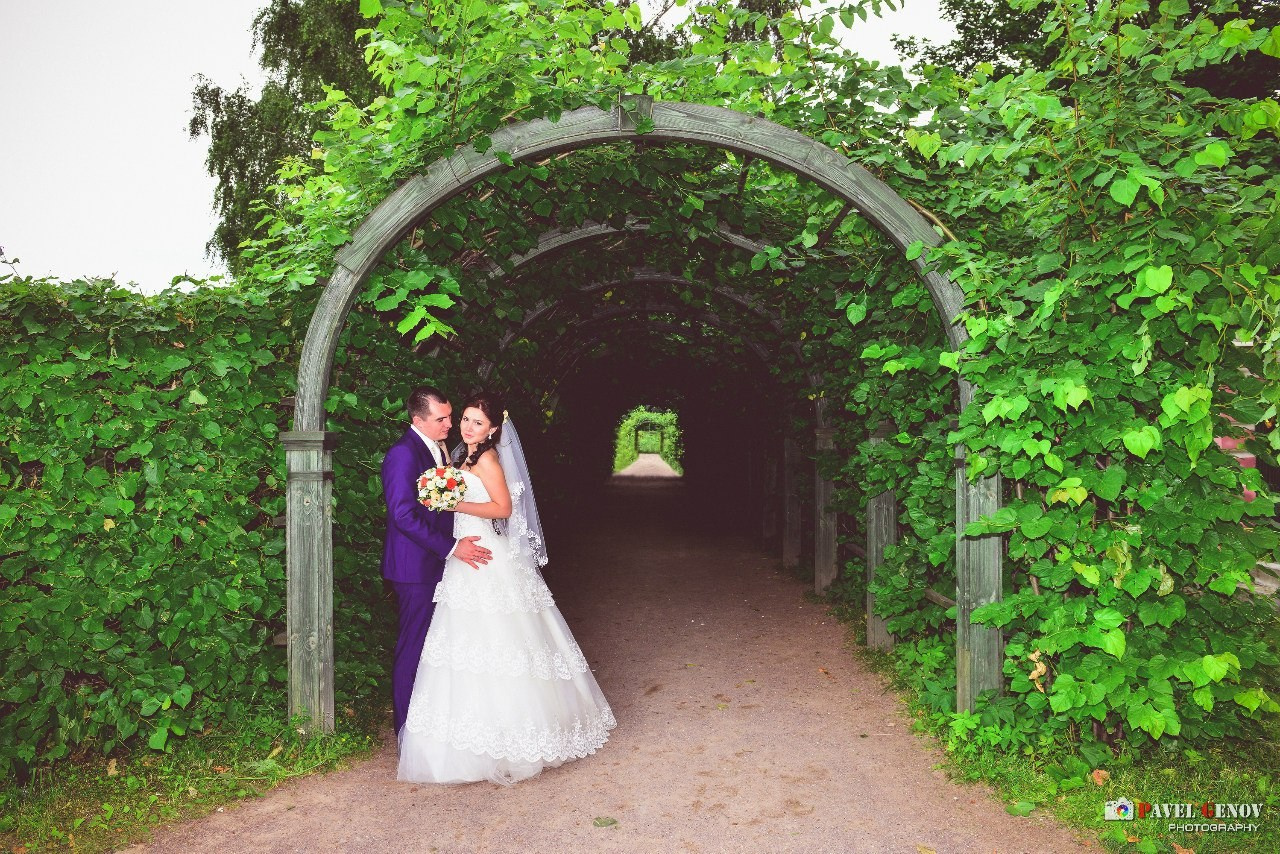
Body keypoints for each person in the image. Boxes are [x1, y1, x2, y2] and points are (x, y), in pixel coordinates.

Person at [397, 391, 616, 785]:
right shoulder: (459, 455)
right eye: (465, 418)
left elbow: (503, 508)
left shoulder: (488, 459)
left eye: (477, 422)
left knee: (501, 641)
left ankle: (518, 735)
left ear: (494, 428)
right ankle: (463, 739)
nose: (467, 426)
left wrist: (454, 505)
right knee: (462, 645)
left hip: (484, 554)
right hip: (462, 556)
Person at [382, 386, 492, 737]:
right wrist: (451, 547)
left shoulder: (440, 448)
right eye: (441, 419)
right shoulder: (403, 454)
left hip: (437, 564)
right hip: (415, 567)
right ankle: (405, 732)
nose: (449, 424)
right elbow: (403, 514)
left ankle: (432, 728)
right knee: (414, 648)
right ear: (418, 420)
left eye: (450, 416)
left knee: (436, 648)